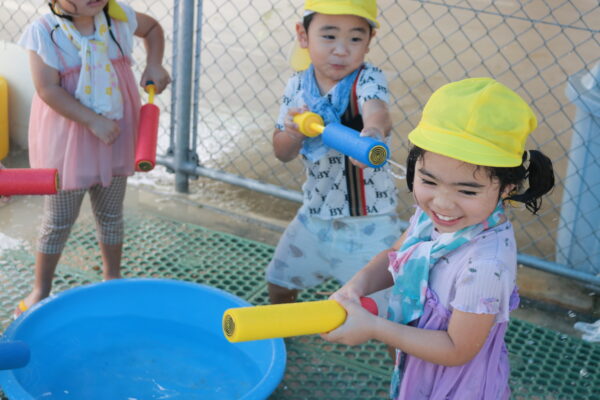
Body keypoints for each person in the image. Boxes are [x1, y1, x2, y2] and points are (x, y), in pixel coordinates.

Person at [321, 77, 556, 399]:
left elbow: (457, 349)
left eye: (467, 190)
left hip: (457, 387)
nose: (442, 203)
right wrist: (356, 287)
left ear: (506, 188)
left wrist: (374, 327)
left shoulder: (485, 266)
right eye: (429, 181)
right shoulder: (431, 216)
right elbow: (394, 255)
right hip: (418, 367)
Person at [13, 0, 170, 318]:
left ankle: (112, 278)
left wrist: (155, 64)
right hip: (68, 140)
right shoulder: (45, 31)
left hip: (115, 133)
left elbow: (152, 28)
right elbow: (47, 90)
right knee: (58, 220)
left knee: (111, 213)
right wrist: (91, 120)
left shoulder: (117, 16)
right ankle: (41, 288)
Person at [265, 0, 403, 310]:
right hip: (314, 214)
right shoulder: (297, 86)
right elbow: (282, 152)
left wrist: (373, 133)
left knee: (383, 306)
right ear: (303, 36)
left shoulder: (367, 79)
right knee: (280, 281)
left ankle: (390, 343)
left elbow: (377, 110)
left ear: (369, 41)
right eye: (329, 36)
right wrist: (293, 133)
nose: (341, 50)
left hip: (369, 223)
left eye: (355, 38)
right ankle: (283, 331)